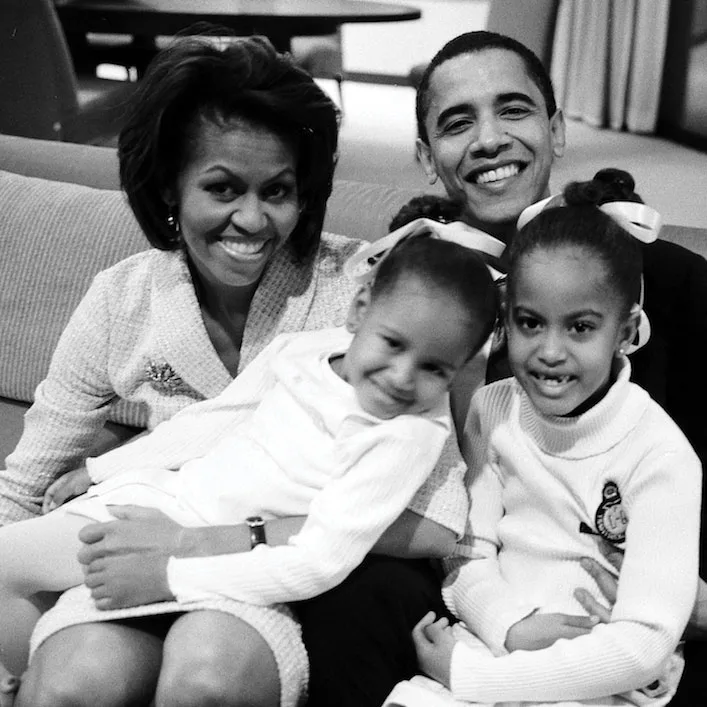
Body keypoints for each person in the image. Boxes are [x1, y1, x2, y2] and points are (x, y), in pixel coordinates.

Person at [0, 32, 480, 707]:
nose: (252, 220)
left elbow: (433, 521)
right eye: (222, 188)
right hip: (136, 535)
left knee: (207, 679)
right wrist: (113, 478)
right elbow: (26, 478)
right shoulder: (123, 296)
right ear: (169, 184)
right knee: (75, 682)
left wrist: (207, 542)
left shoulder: (367, 298)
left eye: (278, 191)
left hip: (259, 573)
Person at [0, 234, 498, 707]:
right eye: (392, 343)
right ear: (360, 307)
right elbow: (214, 419)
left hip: (234, 560)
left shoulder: (406, 436)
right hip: (168, 498)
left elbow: (320, 561)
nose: (402, 377)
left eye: (435, 369)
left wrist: (171, 576)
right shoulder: (305, 348)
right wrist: (100, 467)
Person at [412, 31, 707, 705]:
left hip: (633, 625)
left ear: (556, 129)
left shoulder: (672, 285)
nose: (487, 140)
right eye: (458, 123)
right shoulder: (413, 286)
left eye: (512, 110)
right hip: (471, 587)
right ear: (427, 159)